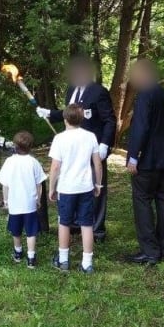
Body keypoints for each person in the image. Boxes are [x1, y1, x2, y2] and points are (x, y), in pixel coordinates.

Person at [36, 55, 115, 241]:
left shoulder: (99, 92)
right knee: (72, 183)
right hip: (71, 148)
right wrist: (50, 113)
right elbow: (70, 113)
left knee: (96, 185)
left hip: (92, 147)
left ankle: (96, 229)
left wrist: (104, 144)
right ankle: (73, 224)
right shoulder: (71, 89)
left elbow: (109, 120)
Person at [124, 59, 164, 266]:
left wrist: (133, 156)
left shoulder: (145, 95)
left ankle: (150, 251)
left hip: (148, 159)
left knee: (142, 201)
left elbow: (140, 128)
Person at [48, 104, 103, 274]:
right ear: (82, 118)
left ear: (65, 119)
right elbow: (98, 163)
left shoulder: (59, 139)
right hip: (85, 187)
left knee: (64, 223)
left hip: (66, 188)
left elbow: (55, 167)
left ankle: (63, 260)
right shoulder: (90, 136)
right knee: (86, 224)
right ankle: (87, 263)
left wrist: (51, 188)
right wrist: (98, 184)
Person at [0, 131, 48, 269]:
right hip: (30, 203)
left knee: (16, 230)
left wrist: (6, 201)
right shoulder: (33, 162)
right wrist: (37, 199)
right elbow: (39, 184)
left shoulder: (9, 162)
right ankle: (31, 258)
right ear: (30, 146)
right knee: (31, 231)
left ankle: (18, 252)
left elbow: (5, 184)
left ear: (15, 145)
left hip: (14, 203)